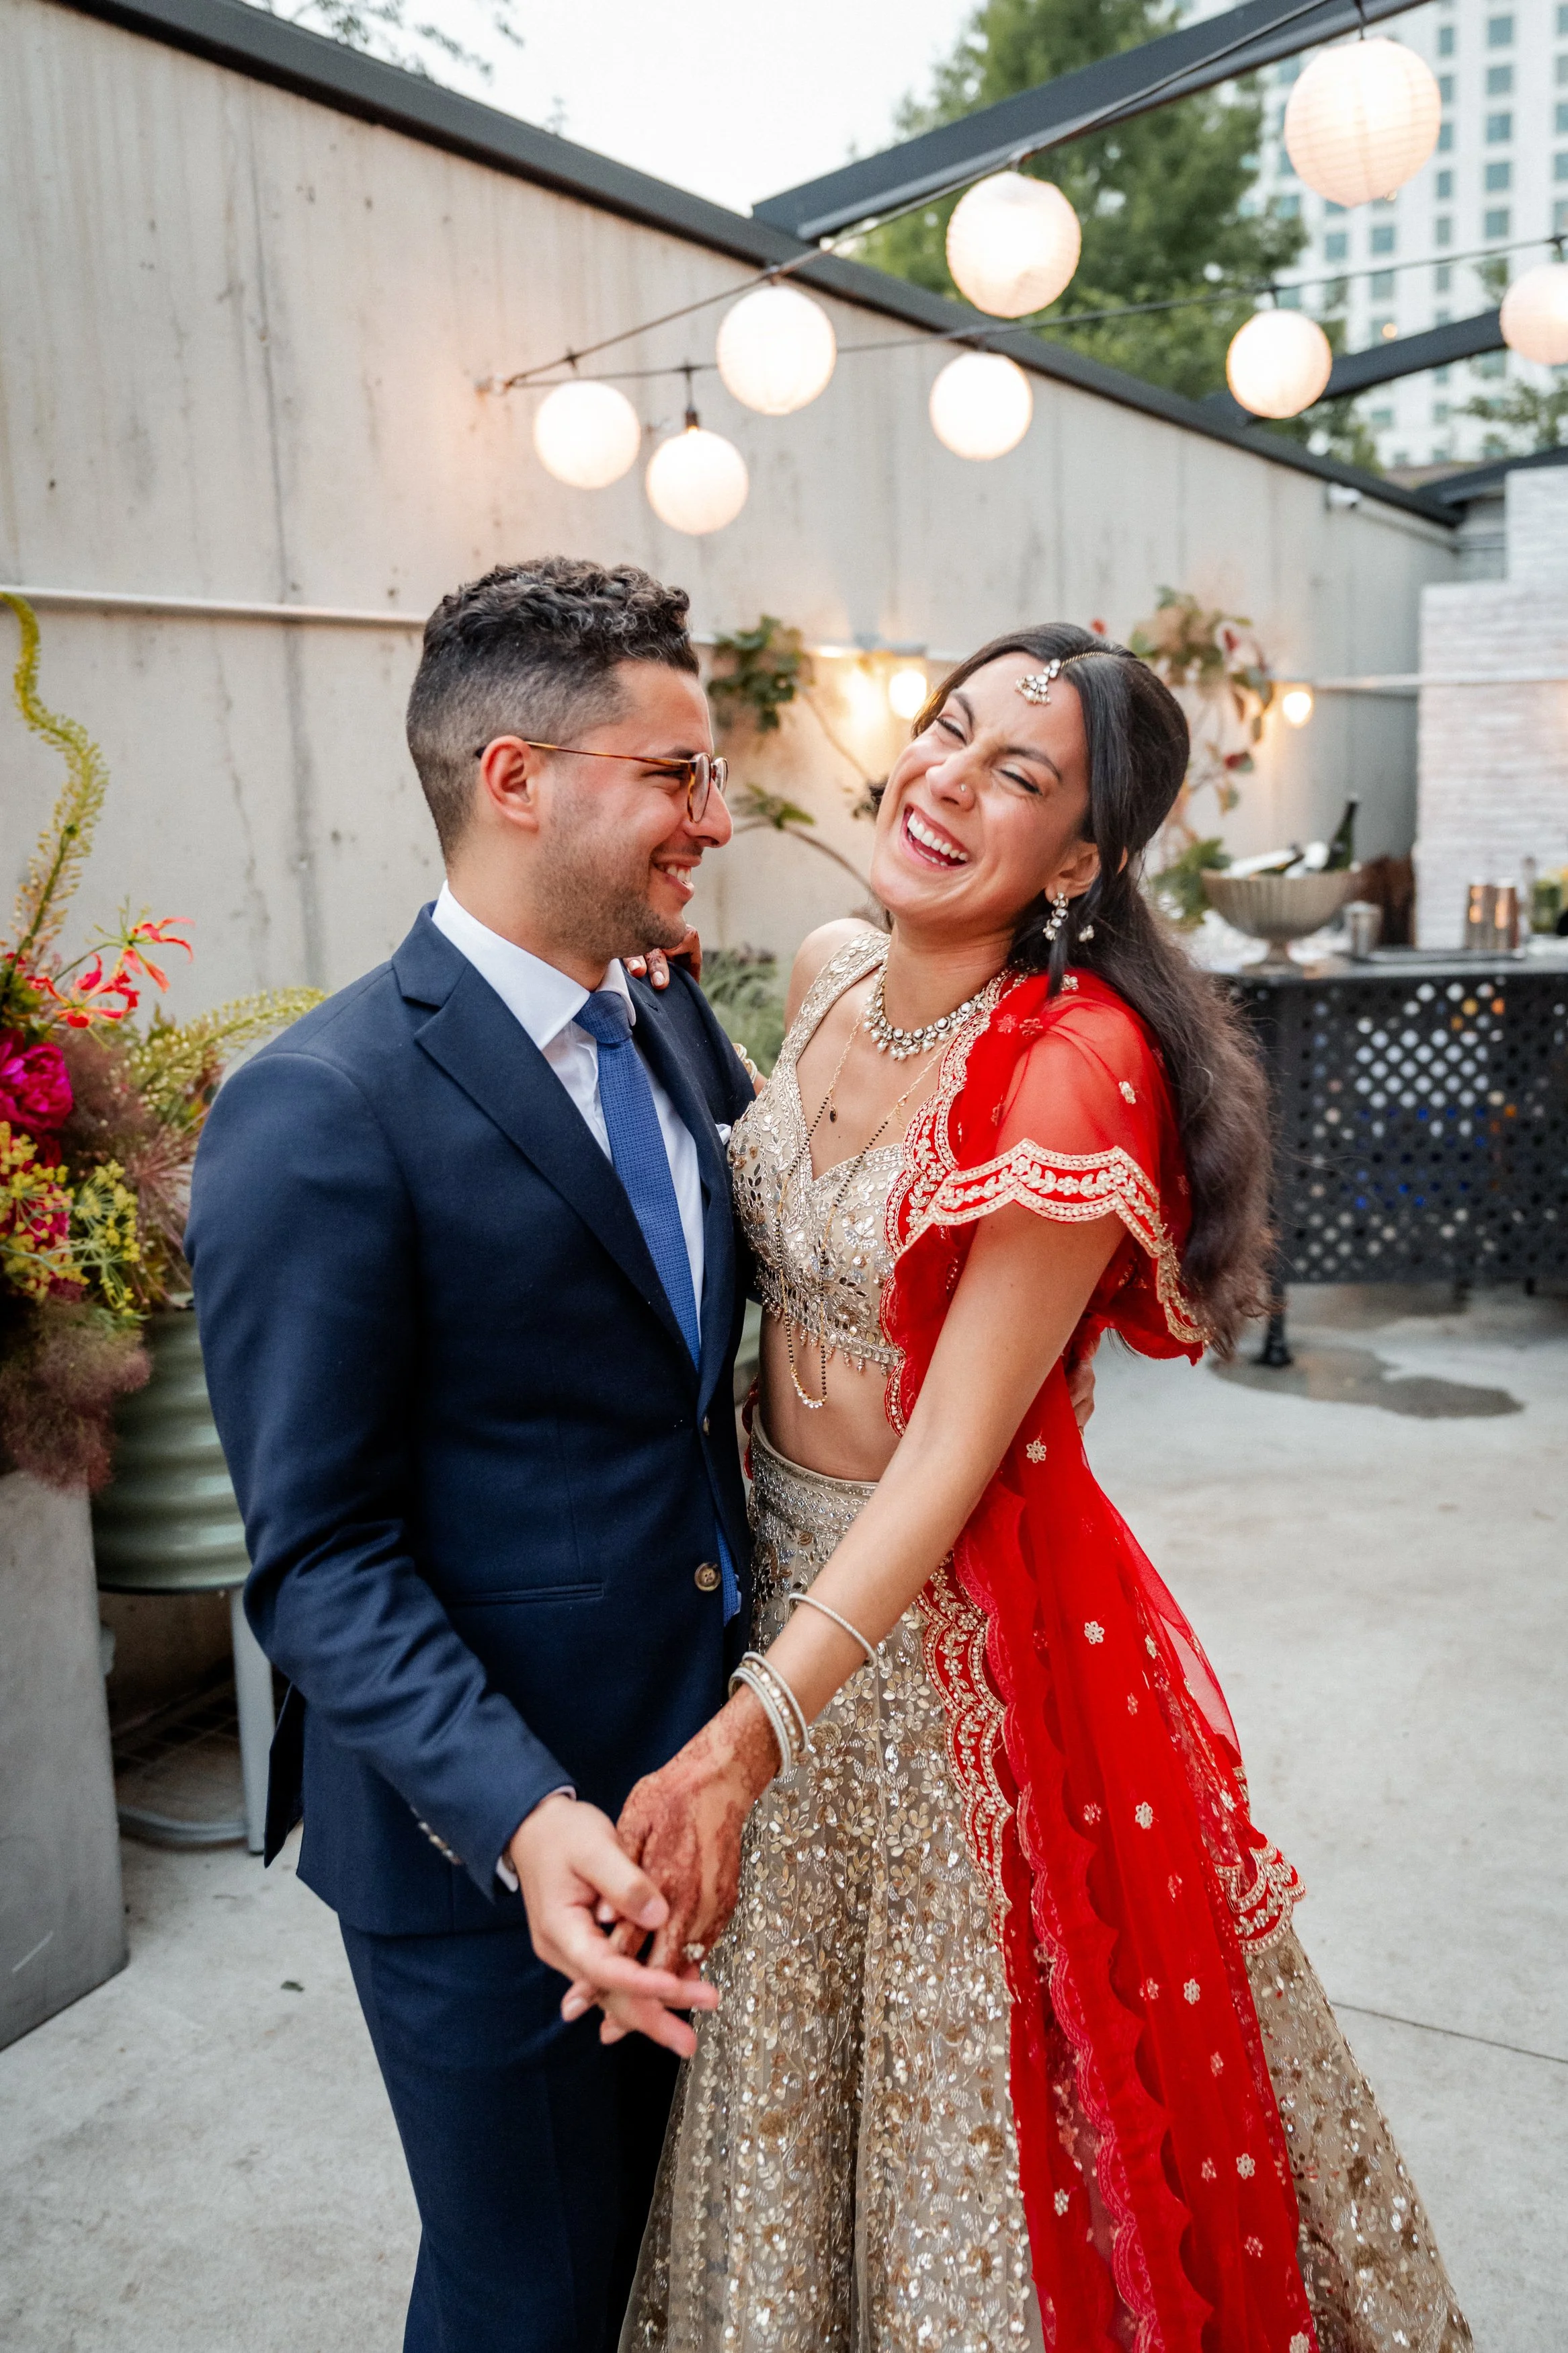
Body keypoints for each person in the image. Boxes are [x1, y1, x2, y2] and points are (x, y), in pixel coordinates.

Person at [600, 627, 1472, 2353]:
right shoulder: (833, 966)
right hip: (771, 1580)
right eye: (945, 731)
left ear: (1078, 862)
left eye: (1018, 776)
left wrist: (745, 1731)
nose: (946, 779)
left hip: (953, 1656)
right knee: (792, 2105)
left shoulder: (1070, 1064)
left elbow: (949, 1449)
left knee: (984, 2135)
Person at [185, 558, 761, 2353]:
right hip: (486, 1858)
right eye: (675, 774)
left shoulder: (666, 1007)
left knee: (668, 2270)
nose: (717, 819)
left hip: (703, 1788)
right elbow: (320, 1554)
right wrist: (523, 1817)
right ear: (517, 779)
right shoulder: (319, 1107)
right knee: (531, 2300)